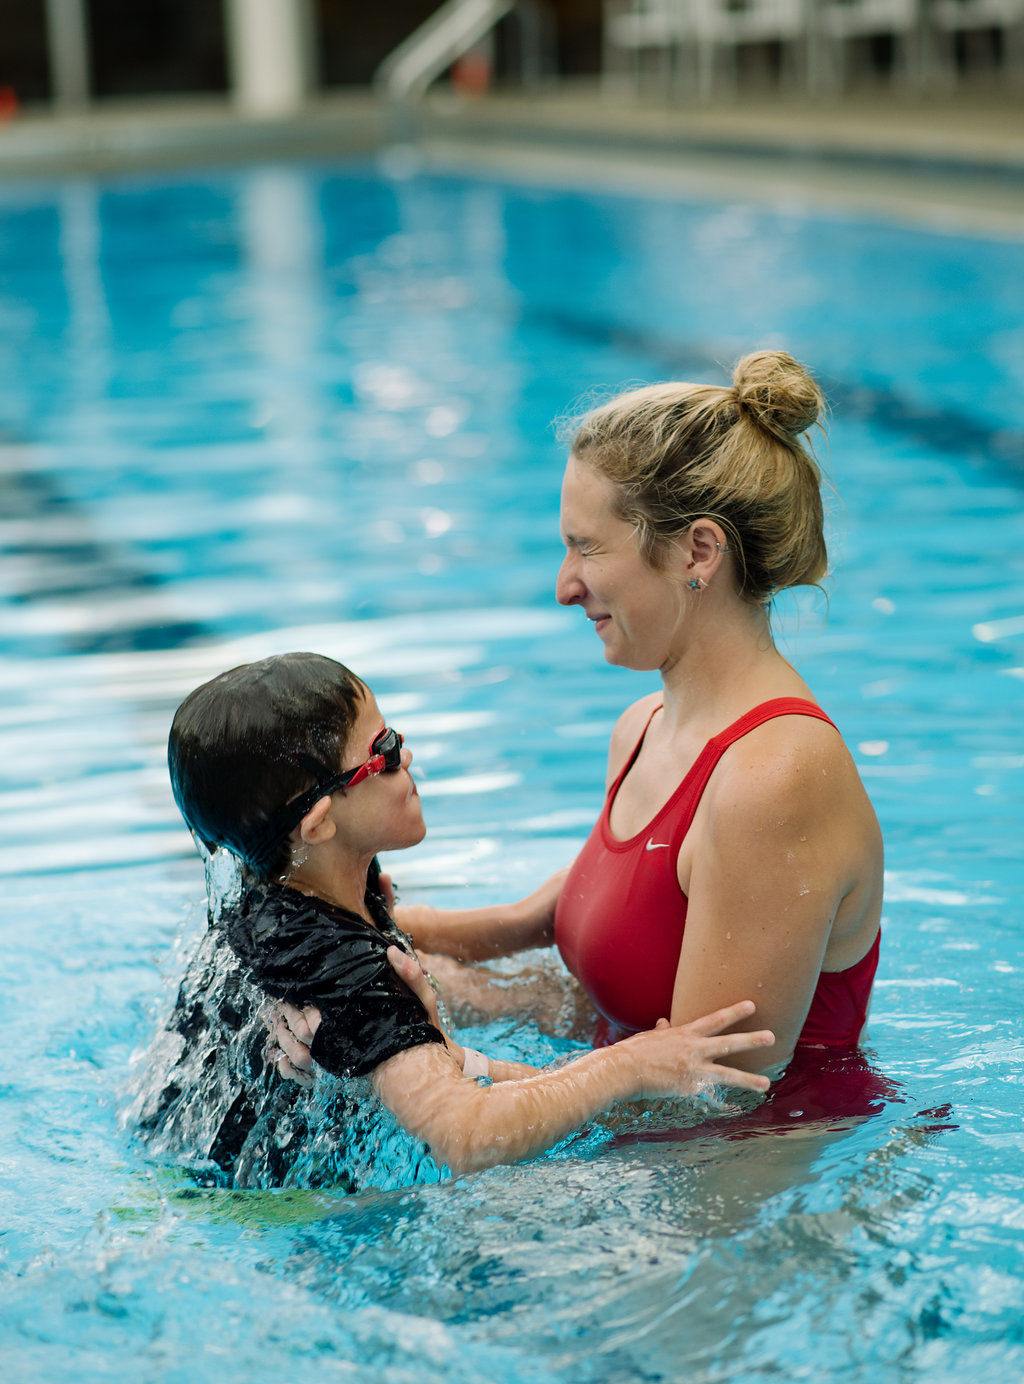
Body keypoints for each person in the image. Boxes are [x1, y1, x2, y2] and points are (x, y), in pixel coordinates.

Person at [288, 350, 883, 1104]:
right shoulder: (646, 729)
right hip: (637, 1151)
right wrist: (353, 947)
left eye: (588, 548)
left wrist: (418, 1058)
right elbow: (573, 918)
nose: (565, 587)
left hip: (744, 1193)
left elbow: (709, 1098)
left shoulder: (774, 781)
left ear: (698, 551)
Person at [135, 652, 772, 1187]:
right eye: (382, 750)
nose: (404, 757)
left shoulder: (270, 888)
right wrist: (626, 1068)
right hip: (284, 1216)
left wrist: (496, 1043)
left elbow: (417, 1041)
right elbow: (465, 1136)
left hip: (190, 1160)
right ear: (320, 823)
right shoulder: (352, 976)